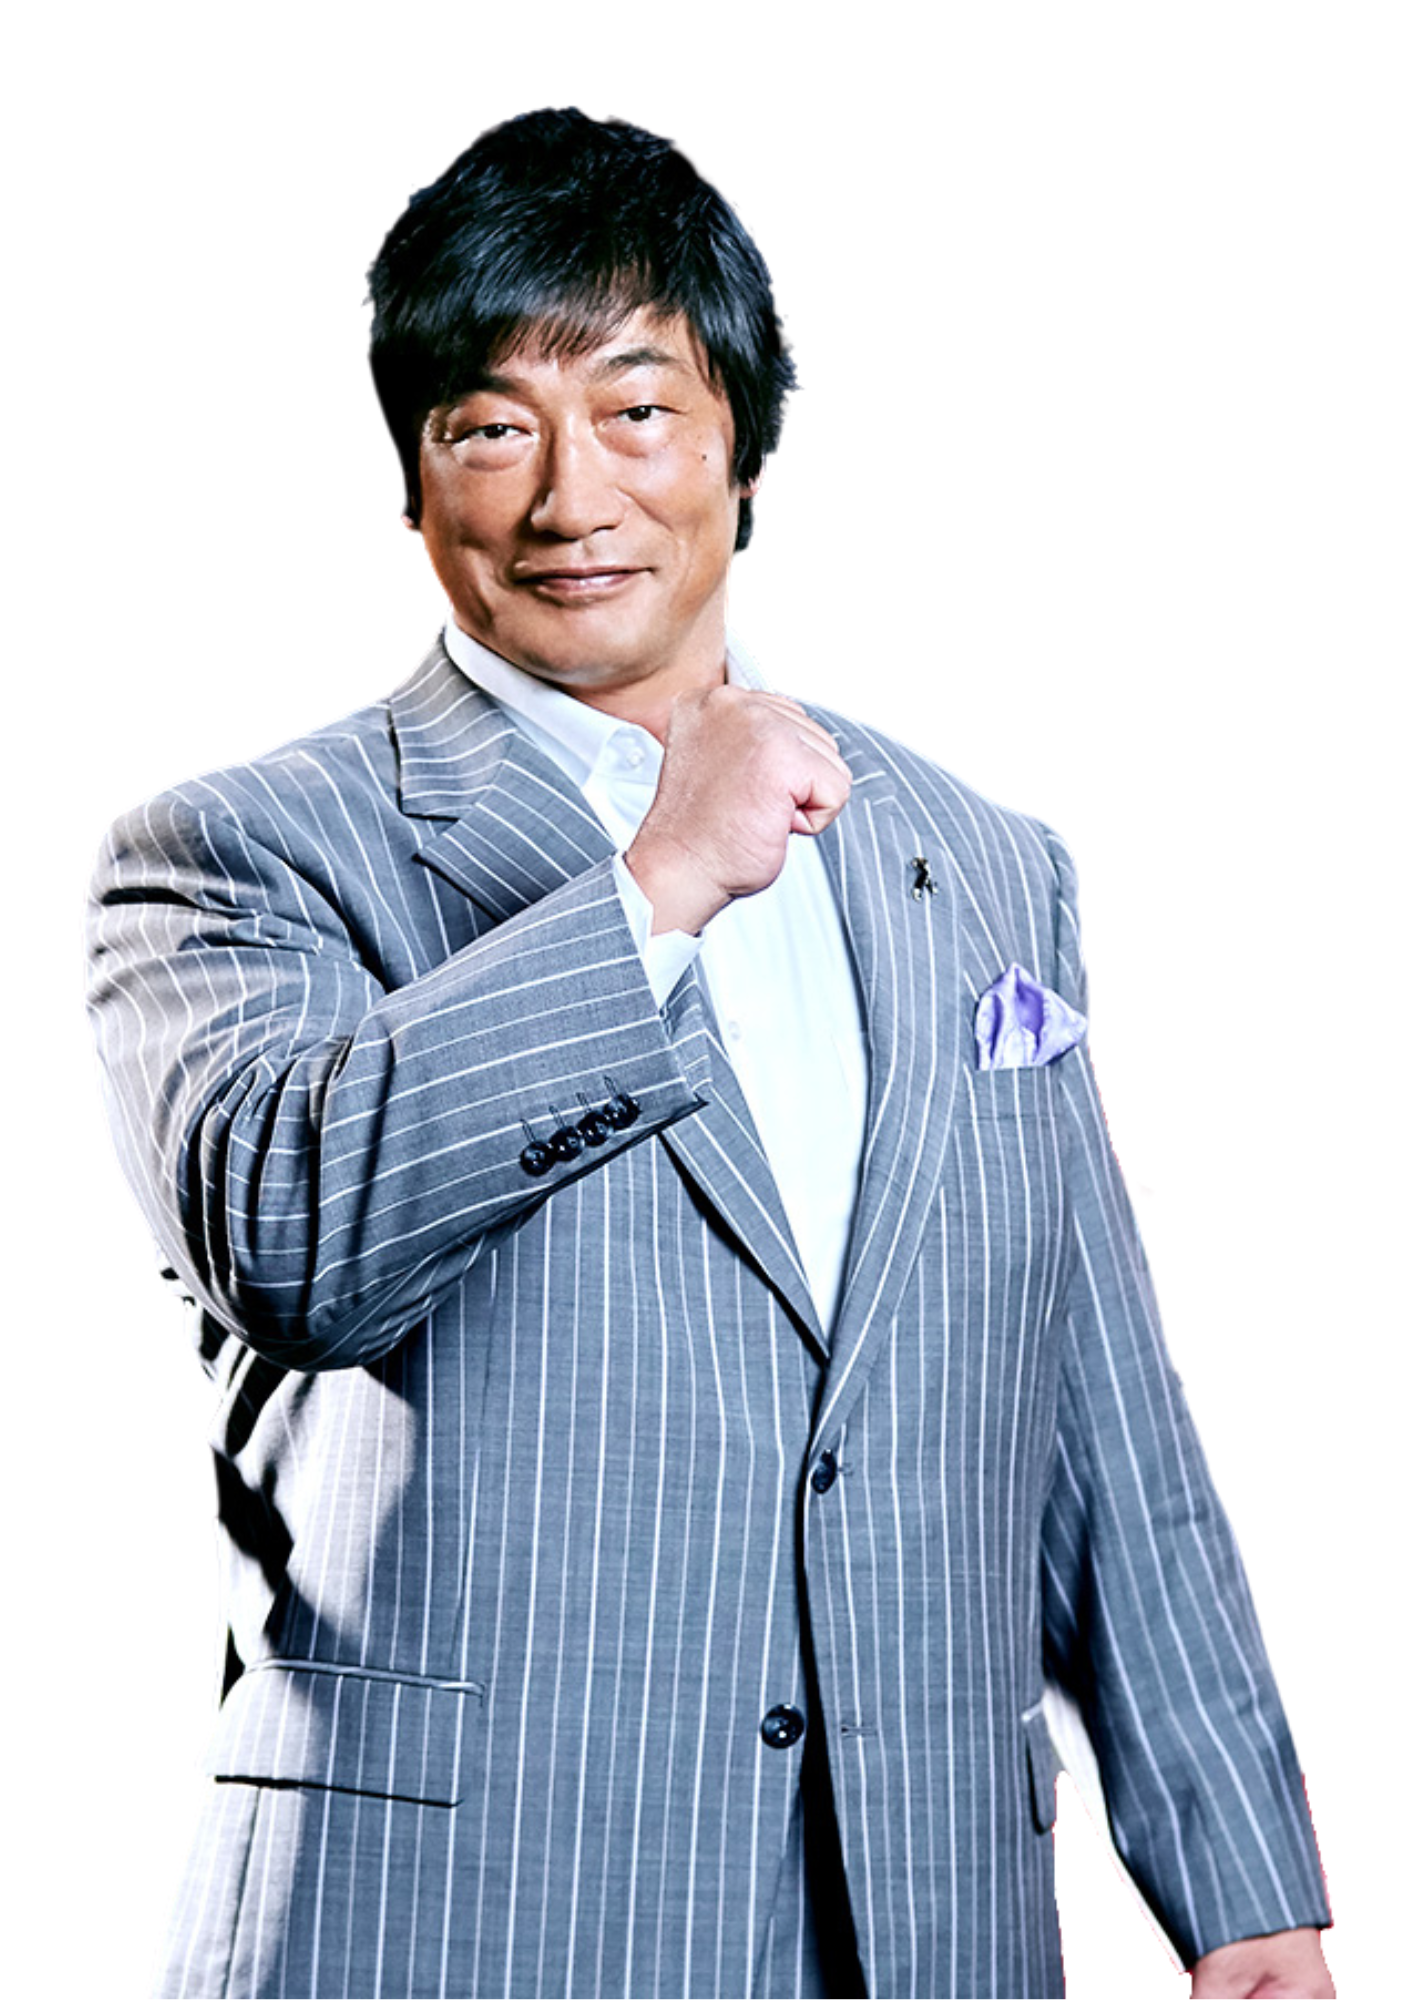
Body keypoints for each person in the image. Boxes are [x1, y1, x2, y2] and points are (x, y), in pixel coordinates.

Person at [87, 108, 1333, 2000]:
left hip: (917, 1919)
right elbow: (293, 1235)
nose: (569, 496)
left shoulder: (983, 865)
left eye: (638, 411)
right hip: (461, 1925)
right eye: (489, 427)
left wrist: (1240, 1885)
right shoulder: (237, 852)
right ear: (413, 483)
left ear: (743, 448)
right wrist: (654, 885)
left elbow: (1088, 1393)